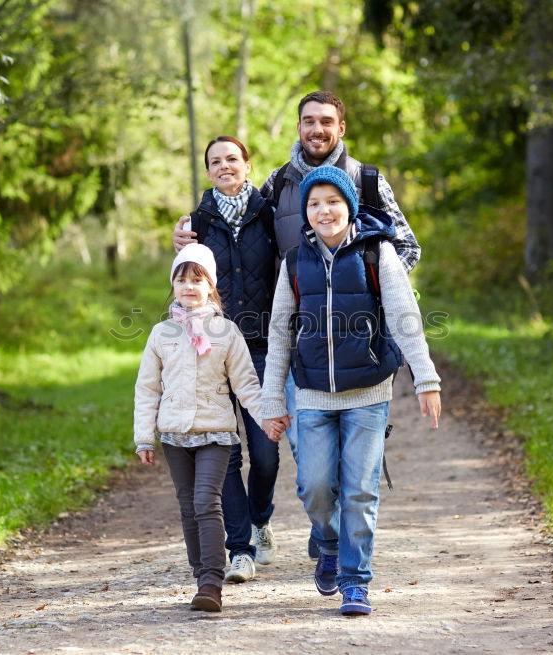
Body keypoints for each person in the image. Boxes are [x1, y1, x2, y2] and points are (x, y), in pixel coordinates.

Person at [173, 92, 423, 560]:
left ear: (341, 129)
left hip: (355, 342)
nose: (317, 130)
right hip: (288, 339)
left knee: (344, 448)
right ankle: (320, 523)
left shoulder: (367, 180)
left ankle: (340, 545)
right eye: (309, 121)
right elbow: (241, 227)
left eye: (326, 121)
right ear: (298, 127)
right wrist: (184, 242)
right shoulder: (277, 185)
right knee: (306, 453)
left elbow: (407, 248)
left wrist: (367, 293)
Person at [258, 166, 442, 617]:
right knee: (315, 487)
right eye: (315, 203)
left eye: (333, 201)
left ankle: (355, 581)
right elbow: (280, 333)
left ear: (349, 205)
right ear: (306, 211)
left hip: (369, 391)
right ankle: (328, 541)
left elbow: (404, 318)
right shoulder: (295, 261)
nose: (324, 211)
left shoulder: (378, 252)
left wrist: (427, 378)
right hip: (313, 392)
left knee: (360, 490)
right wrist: (271, 400)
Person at [133, 243, 264, 612]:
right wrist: (144, 436)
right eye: (181, 279)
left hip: (215, 432)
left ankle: (211, 582)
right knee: (188, 506)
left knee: (207, 501)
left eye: (197, 279)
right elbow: (147, 388)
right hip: (174, 434)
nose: (188, 286)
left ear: (211, 285)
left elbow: (246, 384)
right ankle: (199, 575)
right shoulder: (161, 334)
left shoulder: (227, 332)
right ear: (172, 284)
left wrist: (267, 417)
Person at [179, 137, 281, 584]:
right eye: (215, 161)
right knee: (228, 452)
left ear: (247, 164)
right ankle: (240, 549)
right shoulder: (197, 222)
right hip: (214, 347)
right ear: (208, 171)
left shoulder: (271, 212)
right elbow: (187, 280)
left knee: (266, 452)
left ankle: (261, 520)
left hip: (262, 345)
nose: (225, 166)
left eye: (232, 159)